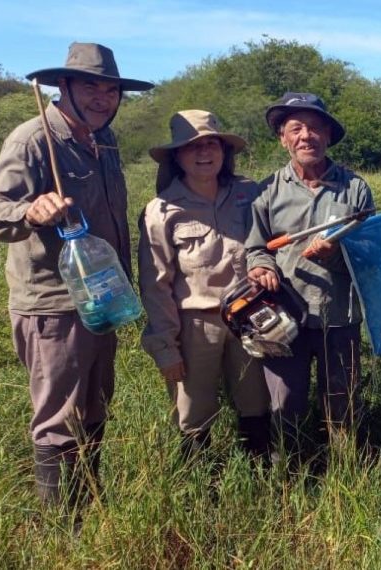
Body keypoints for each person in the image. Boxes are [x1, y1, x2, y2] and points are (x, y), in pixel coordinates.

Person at [0, 42, 153, 509]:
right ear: (63, 86)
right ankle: (61, 527)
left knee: (95, 405)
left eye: (111, 90)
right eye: (91, 87)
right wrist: (30, 211)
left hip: (102, 300)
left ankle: (89, 505)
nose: (102, 98)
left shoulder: (104, 142)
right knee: (58, 417)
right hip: (54, 305)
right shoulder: (33, 140)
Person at [245, 93, 374, 469]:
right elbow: (256, 248)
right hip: (283, 320)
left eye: (316, 127)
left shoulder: (355, 189)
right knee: (285, 402)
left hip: (339, 316)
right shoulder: (266, 191)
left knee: (342, 402)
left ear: (328, 136)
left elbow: (371, 255)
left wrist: (335, 254)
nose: (306, 136)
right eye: (296, 128)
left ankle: (345, 474)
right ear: (282, 138)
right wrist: (262, 267)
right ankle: (289, 474)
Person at [138, 110, 271, 464]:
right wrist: (166, 348)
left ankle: (260, 479)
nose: (203, 152)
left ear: (224, 151)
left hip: (250, 317)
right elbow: (155, 284)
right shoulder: (161, 211)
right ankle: (201, 485)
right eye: (192, 146)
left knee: (257, 403)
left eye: (211, 144)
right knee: (193, 412)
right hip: (194, 325)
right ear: (176, 156)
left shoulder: (248, 192)